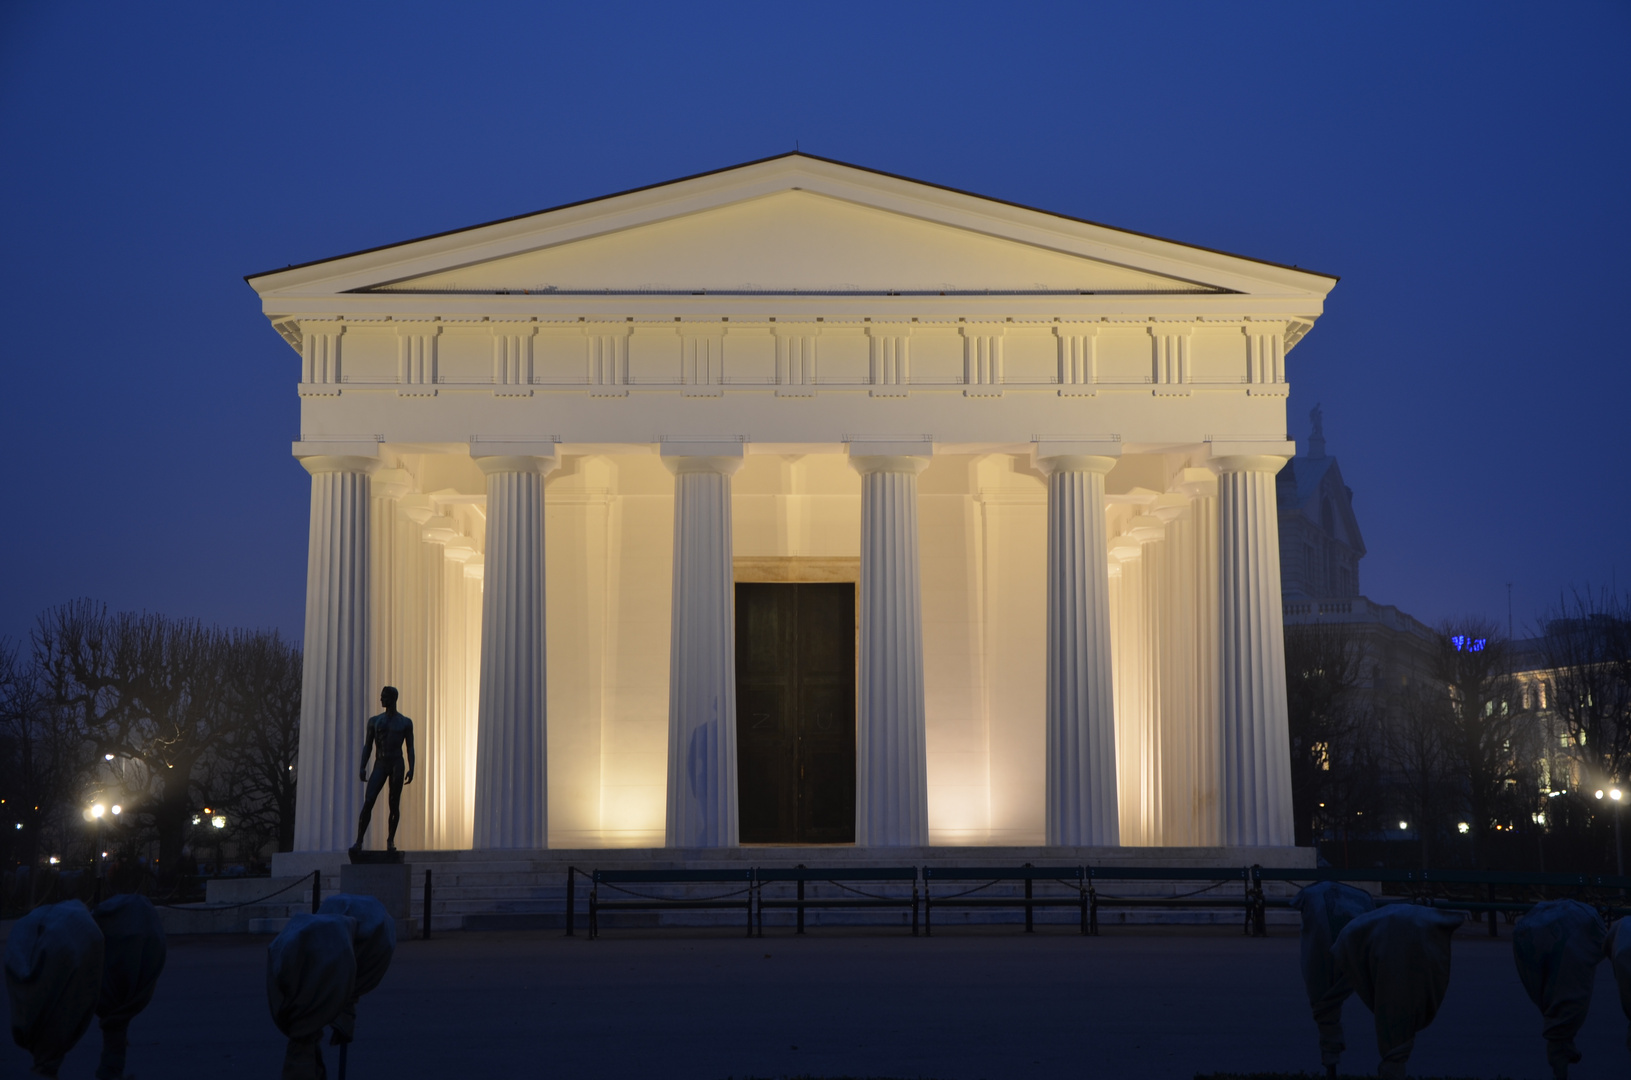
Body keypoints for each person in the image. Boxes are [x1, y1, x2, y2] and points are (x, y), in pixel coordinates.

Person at [350, 687, 415, 854]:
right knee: (369, 800)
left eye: (384, 697)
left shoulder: (405, 722)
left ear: (392, 699)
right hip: (381, 762)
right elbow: (368, 745)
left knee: (394, 803)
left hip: (396, 763)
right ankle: (359, 841)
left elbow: (410, 747)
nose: (381, 700)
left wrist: (411, 767)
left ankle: (390, 840)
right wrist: (362, 765)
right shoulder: (374, 721)